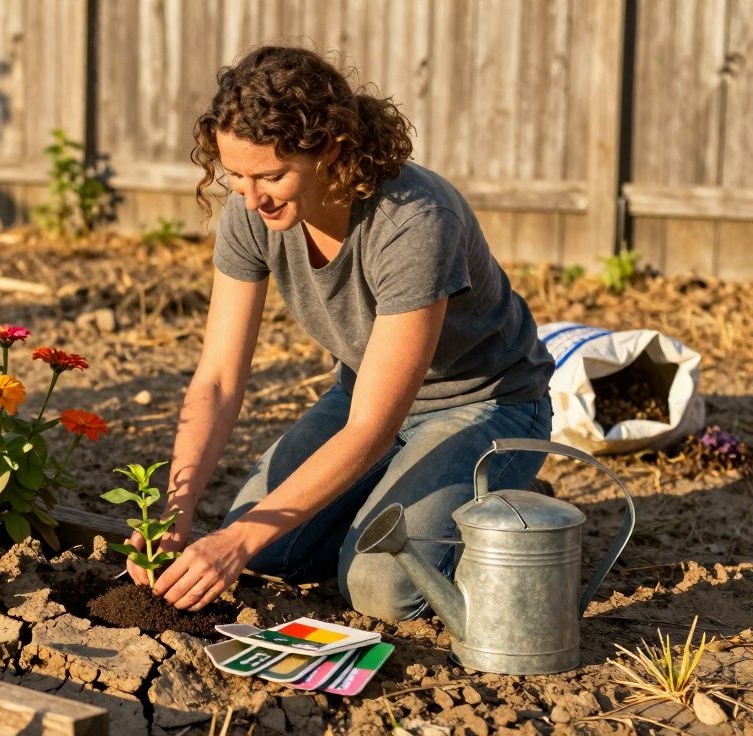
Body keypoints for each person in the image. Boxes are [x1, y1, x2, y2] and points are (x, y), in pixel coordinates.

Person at [124, 46, 555, 622]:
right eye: (236, 176)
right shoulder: (251, 213)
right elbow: (220, 379)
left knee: (381, 586)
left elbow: (374, 428)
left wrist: (234, 542)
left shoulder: (413, 221)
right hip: (363, 399)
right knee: (268, 550)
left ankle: (497, 508)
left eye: (272, 176)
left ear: (330, 150)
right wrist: (173, 512)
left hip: (486, 405)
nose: (251, 198)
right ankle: (406, 509)